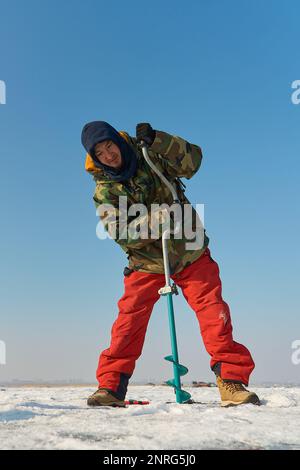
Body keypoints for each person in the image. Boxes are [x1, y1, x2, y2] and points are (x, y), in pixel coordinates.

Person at [81, 121, 260, 408]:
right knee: (128, 322)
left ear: (118, 140)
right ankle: (111, 387)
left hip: (189, 248)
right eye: (100, 152)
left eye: (110, 145)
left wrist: (159, 140)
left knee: (214, 313)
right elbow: (119, 233)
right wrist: (159, 219)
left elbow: (193, 162)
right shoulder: (105, 191)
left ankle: (231, 382)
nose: (109, 154)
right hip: (146, 262)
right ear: (96, 157)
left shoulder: (149, 154)